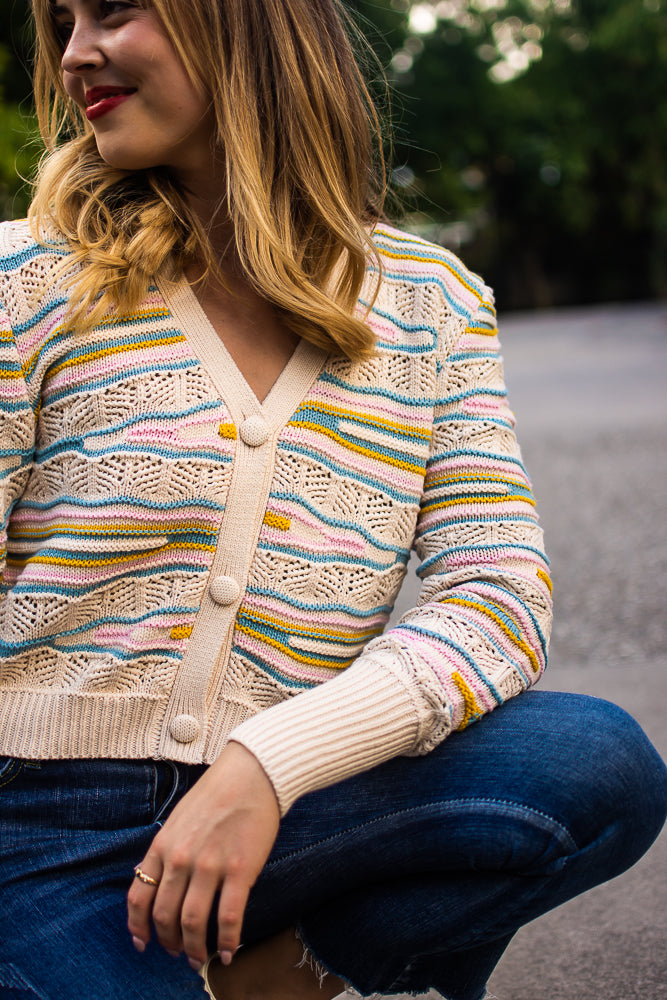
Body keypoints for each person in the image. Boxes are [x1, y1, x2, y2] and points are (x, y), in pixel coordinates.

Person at [0, 1, 665, 999]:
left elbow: (498, 593)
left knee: (593, 761)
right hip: (45, 837)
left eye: (116, 8)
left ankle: (296, 961)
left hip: (296, 812)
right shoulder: (27, 279)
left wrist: (268, 764)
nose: (74, 51)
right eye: (61, 19)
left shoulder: (430, 302)